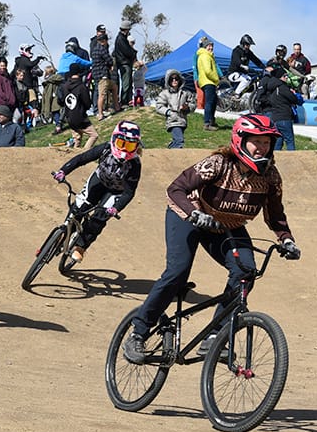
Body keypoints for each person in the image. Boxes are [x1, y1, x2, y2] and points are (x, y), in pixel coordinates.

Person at [122, 115, 301, 364]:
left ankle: (215, 336)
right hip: (189, 216)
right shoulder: (218, 164)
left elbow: (275, 214)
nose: (262, 148)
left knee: (245, 272)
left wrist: (286, 240)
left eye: (266, 142)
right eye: (256, 142)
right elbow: (175, 189)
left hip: (227, 226)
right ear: (240, 141)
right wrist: (194, 213)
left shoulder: (270, 177)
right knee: (177, 272)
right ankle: (138, 332)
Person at [51, 120, 143, 263]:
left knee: (99, 217)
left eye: (130, 145)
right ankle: (65, 232)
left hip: (115, 191)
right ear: (114, 139)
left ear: (136, 146)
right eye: (121, 143)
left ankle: (81, 247)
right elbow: (81, 159)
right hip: (98, 181)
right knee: (78, 207)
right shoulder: (106, 148)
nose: (125, 150)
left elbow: (129, 192)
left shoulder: (134, 164)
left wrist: (116, 208)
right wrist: (63, 171)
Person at [261, 67, 301, 151]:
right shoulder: (282, 88)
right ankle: (292, 157)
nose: (286, 77)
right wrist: (294, 94)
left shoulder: (272, 89)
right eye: (284, 75)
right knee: (289, 141)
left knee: (278, 141)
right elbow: (294, 99)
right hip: (284, 117)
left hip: (275, 118)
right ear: (279, 77)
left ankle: (275, 157)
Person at [154, 69, 195, 149]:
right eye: (171, 79)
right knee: (179, 140)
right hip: (173, 121)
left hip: (182, 120)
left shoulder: (185, 93)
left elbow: (193, 104)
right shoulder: (165, 93)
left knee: (176, 140)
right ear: (168, 81)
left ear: (180, 80)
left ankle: (169, 150)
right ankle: (176, 153)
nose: (174, 80)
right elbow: (159, 106)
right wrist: (169, 112)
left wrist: (187, 107)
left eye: (176, 78)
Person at [62, 63, 98, 149]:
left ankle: (74, 154)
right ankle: (84, 153)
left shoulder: (64, 86)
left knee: (77, 139)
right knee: (94, 135)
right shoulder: (81, 86)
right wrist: (84, 108)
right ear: (79, 72)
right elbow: (87, 103)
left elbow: (61, 101)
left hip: (69, 117)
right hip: (80, 117)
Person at [226, 34, 266, 98]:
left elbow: (256, 60)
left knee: (251, 79)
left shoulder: (248, 52)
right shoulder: (236, 50)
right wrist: (242, 66)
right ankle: (236, 94)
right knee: (247, 79)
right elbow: (236, 61)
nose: (248, 46)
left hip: (243, 74)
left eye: (249, 45)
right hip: (233, 73)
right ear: (243, 43)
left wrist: (265, 67)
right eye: (247, 44)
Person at [91, 32, 119, 118]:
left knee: (114, 87)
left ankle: (117, 107)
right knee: (102, 95)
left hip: (96, 75)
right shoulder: (102, 49)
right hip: (103, 75)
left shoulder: (94, 49)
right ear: (104, 41)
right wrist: (110, 65)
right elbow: (109, 60)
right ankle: (100, 114)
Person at [196, 37, 221, 131]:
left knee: (213, 101)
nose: (211, 48)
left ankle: (211, 121)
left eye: (212, 46)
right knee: (209, 102)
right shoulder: (205, 56)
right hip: (208, 81)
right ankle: (207, 123)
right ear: (205, 46)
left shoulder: (206, 55)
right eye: (209, 46)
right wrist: (216, 79)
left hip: (207, 81)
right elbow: (208, 71)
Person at [113, 20, 137, 108]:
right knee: (126, 83)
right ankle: (124, 102)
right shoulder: (121, 39)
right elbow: (127, 51)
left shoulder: (122, 38)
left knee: (127, 83)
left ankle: (127, 101)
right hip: (124, 63)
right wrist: (133, 53)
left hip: (124, 63)